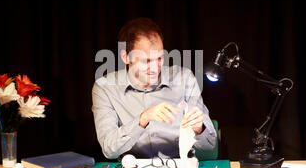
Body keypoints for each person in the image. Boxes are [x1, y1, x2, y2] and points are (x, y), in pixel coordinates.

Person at [92, 17, 217, 159]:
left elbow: (209, 144)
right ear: (126, 57)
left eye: (159, 58)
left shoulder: (184, 79)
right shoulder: (105, 88)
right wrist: (142, 119)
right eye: (146, 61)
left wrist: (199, 129)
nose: (154, 67)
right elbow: (109, 150)